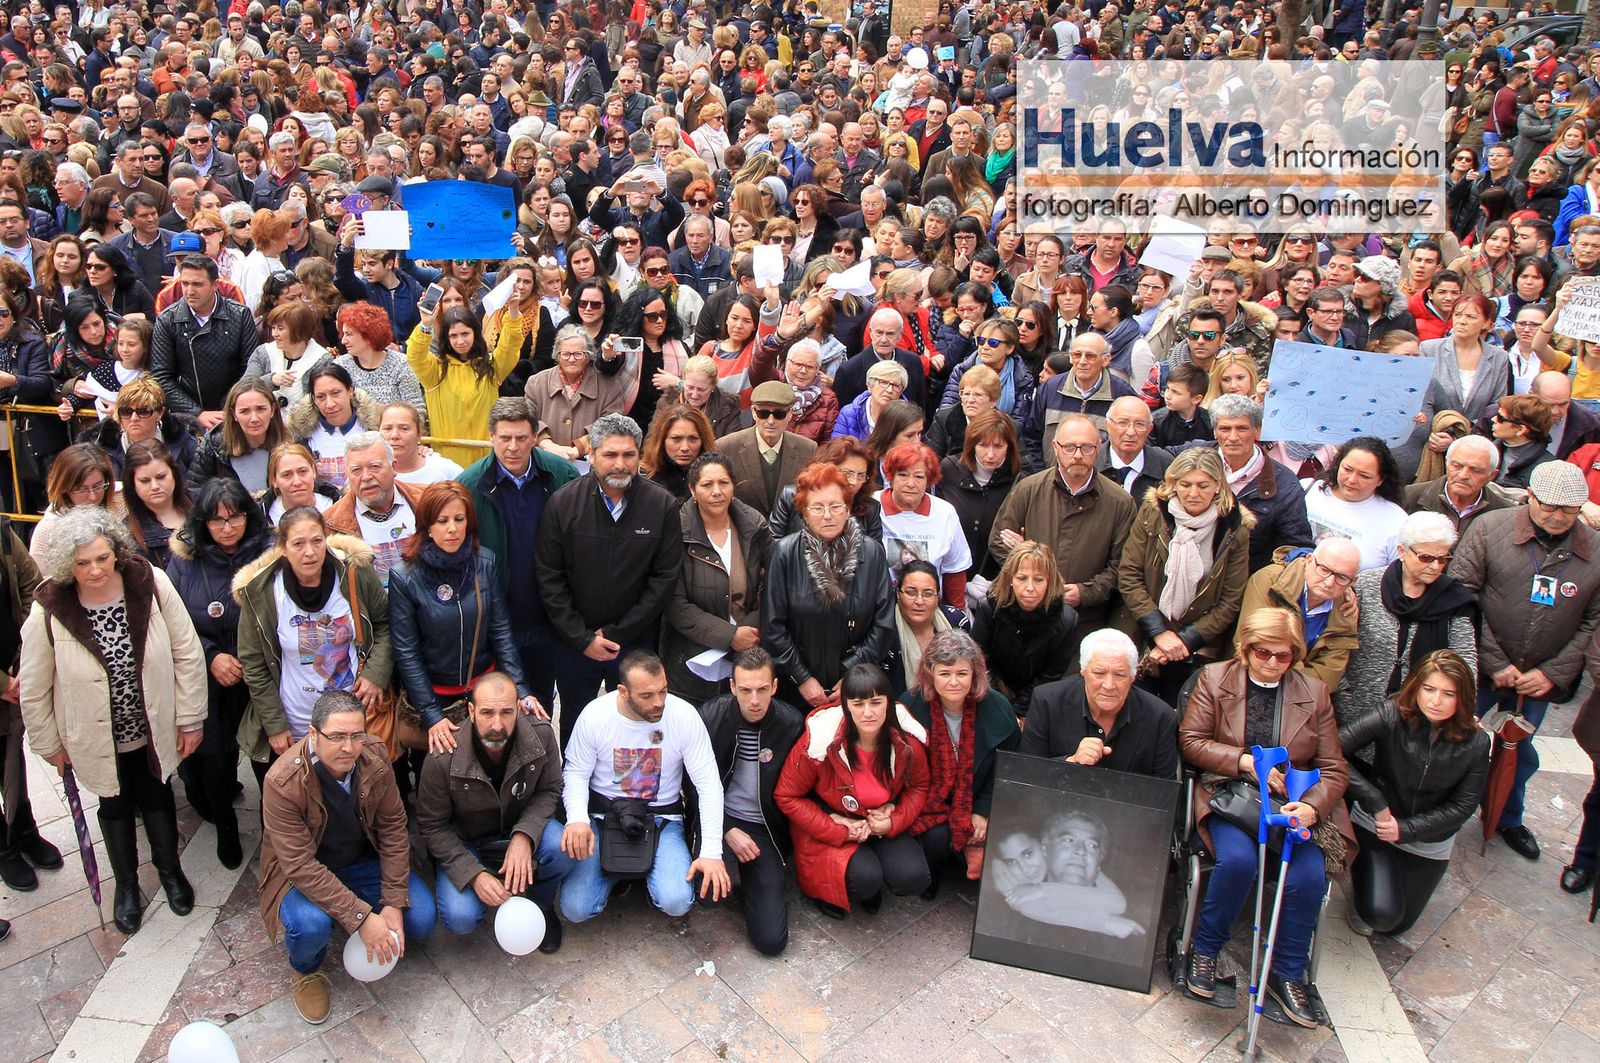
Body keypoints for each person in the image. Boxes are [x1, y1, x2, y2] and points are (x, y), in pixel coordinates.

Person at [20, 506, 206, 934]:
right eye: (83, 563)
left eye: (102, 558)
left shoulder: (149, 583)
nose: (95, 569)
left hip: (151, 725)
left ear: (116, 552)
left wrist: (191, 717)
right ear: (69, 563)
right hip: (96, 736)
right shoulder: (51, 604)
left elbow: (187, 652)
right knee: (114, 803)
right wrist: (49, 743)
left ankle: (170, 871)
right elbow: (34, 683)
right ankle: (126, 885)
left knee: (158, 795)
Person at [1179, 608, 1353, 1029]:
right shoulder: (1216, 679)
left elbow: (1334, 768)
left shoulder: (1313, 692)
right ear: (1245, 648)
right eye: (1263, 653)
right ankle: (1205, 948)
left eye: (1284, 656)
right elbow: (1191, 741)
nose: (1273, 663)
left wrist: (1311, 805)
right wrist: (1241, 761)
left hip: (1292, 802)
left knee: (1308, 875)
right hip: (1233, 795)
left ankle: (1288, 971)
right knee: (1238, 862)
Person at [257, 690, 435, 1026]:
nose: (348, 747)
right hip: (302, 878)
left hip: (360, 861)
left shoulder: (374, 756)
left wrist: (394, 900)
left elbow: (394, 826)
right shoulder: (282, 782)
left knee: (421, 919)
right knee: (309, 927)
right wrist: (362, 918)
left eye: (356, 735)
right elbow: (299, 866)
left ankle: (355, 914)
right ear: (313, 734)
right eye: (336, 736)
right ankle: (306, 970)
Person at [1451, 461, 1600, 861]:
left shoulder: (1595, 551)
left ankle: (1507, 816)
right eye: (1548, 506)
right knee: (1456, 737)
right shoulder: (1489, 529)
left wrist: (1552, 672)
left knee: (1520, 749)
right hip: (1481, 667)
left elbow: (1594, 620)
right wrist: (1494, 659)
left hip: (1540, 674)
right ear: (1529, 497)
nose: (1557, 516)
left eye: (1568, 510)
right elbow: (1463, 596)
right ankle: (1441, 810)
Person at [535, 414, 683, 749]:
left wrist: (617, 633)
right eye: (610, 455)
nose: (620, 464)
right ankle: (575, 793)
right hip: (575, 645)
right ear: (592, 456)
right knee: (576, 724)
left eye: (628, 455)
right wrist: (581, 636)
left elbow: (663, 580)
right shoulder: (563, 503)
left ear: (639, 456)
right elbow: (548, 575)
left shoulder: (660, 506)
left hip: (633, 642)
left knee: (634, 725)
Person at [558, 651, 731, 922]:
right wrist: (577, 819)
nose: (659, 702)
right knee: (575, 909)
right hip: (605, 816)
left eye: (663, 691)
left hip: (661, 817)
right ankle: (618, 875)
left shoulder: (683, 715)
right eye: (647, 695)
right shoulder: (595, 715)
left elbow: (708, 783)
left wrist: (711, 851)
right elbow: (576, 772)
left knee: (677, 901)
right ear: (623, 692)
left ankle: (646, 875)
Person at [412, 671, 573, 952]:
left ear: (519, 710)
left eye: (506, 712)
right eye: (487, 713)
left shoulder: (542, 735)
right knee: (460, 918)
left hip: (517, 827)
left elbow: (550, 790)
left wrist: (524, 837)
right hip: (466, 840)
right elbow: (432, 826)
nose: (497, 724)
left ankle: (541, 904)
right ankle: (474, 881)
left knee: (561, 848)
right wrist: (473, 874)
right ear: (471, 711)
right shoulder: (441, 758)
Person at [235, 507, 392, 790]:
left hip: (355, 717)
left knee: (362, 795)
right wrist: (275, 724)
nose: (309, 552)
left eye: (317, 541)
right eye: (298, 544)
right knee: (299, 801)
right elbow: (254, 663)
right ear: (282, 548)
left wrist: (376, 673)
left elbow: (385, 624)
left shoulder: (356, 574)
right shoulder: (263, 593)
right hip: (296, 719)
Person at [1339, 651, 1490, 936]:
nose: (1435, 700)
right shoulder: (1391, 713)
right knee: (1381, 915)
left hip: (1429, 838)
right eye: (1429, 689)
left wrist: (1406, 829)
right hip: (1377, 824)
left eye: (1448, 693)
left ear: (1463, 697)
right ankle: (1362, 890)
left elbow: (1464, 805)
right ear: (1416, 687)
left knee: (1399, 925)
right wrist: (1374, 800)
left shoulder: (1477, 741)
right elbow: (1333, 750)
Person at [388, 481, 543, 755]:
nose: (452, 528)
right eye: (442, 520)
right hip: (435, 695)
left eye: (459, 519)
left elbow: (501, 631)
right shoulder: (405, 576)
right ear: (426, 526)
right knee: (437, 773)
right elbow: (406, 652)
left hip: (481, 690)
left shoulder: (485, 562)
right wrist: (431, 714)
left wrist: (520, 688)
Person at [167, 478, 270, 870]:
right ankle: (225, 828)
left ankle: (273, 831)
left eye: (235, 517)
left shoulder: (268, 553)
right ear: (202, 522)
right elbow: (173, 622)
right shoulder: (184, 560)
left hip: (258, 672)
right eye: (217, 520)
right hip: (206, 674)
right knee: (216, 759)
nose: (227, 527)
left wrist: (251, 658)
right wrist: (211, 656)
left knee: (265, 757)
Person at [775, 663, 932, 918]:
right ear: (845, 705)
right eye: (858, 704)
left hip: (877, 822)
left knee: (912, 876)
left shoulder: (906, 740)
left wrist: (894, 820)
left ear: (889, 703)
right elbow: (787, 795)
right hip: (831, 820)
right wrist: (835, 826)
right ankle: (831, 892)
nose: (868, 713)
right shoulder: (819, 743)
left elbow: (920, 786)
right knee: (865, 879)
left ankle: (867, 879)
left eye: (876, 702)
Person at [458, 398, 580, 713]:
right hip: (496, 618)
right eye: (505, 438)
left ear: (535, 436)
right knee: (497, 706)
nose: (513, 447)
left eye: (522, 438)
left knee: (540, 703)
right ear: (491, 437)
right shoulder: (469, 486)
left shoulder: (562, 475)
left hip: (549, 615)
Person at [691, 647, 804, 956]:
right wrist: (726, 828)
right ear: (732, 687)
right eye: (745, 690)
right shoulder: (710, 717)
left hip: (764, 827)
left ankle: (753, 881)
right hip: (719, 819)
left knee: (771, 941)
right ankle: (732, 869)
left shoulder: (792, 723)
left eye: (762, 690)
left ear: (775, 687)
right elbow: (691, 784)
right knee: (706, 897)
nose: (754, 700)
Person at [1116, 448, 1253, 700]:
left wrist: (1182, 642)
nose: (1193, 493)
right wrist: (1158, 632)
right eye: (1185, 484)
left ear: (1218, 486)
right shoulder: (1153, 513)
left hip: (1199, 644)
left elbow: (1230, 600)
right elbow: (1130, 574)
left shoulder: (1234, 530)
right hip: (1143, 631)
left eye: (1203, 485)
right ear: (1173, 484)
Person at [989, 414, 1137, 640]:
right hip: (1027, 616)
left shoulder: (1120, 502)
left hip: (1085, 621)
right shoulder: (1028, 489)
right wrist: (1032, 568)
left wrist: (1085, 593)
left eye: (1086, 447)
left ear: (1098, 448)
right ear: (1055, 448)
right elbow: (999, 541)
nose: (1077, 455)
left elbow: (1123, 565)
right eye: (1069, 447)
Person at [762, 463, 895, 709]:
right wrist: (802, 677)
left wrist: (851, 673)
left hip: (857, 686)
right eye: (818, 507)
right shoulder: (785, 553)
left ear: (847, 509)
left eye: (835, 506)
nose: (827, 515)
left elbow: (883, 623)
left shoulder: (872, 553)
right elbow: (772, 626)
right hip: (797, 688)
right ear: (804, 512)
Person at [899, 630, 1021, 893]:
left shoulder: (998, 708)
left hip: (976, 798)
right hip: (930, 803)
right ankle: (932, 870)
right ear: (931, 673)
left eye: (962, 674)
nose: (953, 682)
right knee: (935, 837)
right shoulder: (910, 705)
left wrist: (982, 810)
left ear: (974, 673)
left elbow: (1008, 768)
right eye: (945, 673)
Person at [1337, 512, 1480, 730]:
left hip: (1418, 722)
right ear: (1402, 551)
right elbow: (1338, 642)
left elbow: (1464, 661)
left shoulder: (1454, 599)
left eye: (1442, 559)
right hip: (1355, 710)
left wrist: (1462, 705)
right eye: (1426, 558)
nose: (1434, 566)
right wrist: (1344, 694)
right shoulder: (1366, 585)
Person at [665, 454, 774, 703]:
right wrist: (729, 635)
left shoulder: (754, 526)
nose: (717, 492)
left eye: (724, 483)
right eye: (706, 485)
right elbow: (675, 603)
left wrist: (750, 628)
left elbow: (775, 584)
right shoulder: (676, 532)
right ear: (692, 489)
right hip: (693, 656)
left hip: (750, 650)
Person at [1021, 629, 1180, 779]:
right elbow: (1025, 775)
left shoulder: (1160, 717)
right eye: (1099, 673)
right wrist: (1070, 762)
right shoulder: (1047, 701)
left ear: (1132, 677)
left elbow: (1164, 795)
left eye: (1119, 674)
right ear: (1083, 671)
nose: (1109, 685)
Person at [150, 253, 260, 429]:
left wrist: (233, 406)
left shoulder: (240, 314)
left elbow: (251, 366)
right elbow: (161, 376)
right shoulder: (167, 320)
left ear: (215, 285)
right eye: (185, 283)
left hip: (234, 413)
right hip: (187, 419)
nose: (190, 291)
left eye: (198, 284)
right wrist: (197, 413)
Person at [1239, 540, 1363, 695]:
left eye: (1342, 577)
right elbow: (1249, 646)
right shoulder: (1269, 582)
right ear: (1309, 560)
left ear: (1353, 582)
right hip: (1245, 684)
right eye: (1324, 570)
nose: (1329, 582)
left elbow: (1329, 676)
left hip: (1300, 699)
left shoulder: (1346, 609)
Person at [1206, 395, 1314, 572]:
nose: (1233, 437)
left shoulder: (1285, 485)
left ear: (1258, 431)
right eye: (1225, 429)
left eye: (1242, 428)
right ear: (1214, 432)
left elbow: (1295, 548)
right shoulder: (1193, 458)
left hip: (1246, 583)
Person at [406, 303, 523, 468]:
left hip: (487, 459)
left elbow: (510, 346)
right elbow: (414, 355)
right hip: (448, 462)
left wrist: (513, 311)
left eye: (465, 333)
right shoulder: (434, 371)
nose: (460, 341)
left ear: (475, 333)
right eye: (453, 335)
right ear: (446, 338)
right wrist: (426, 324)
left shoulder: (490, 367)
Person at [879, 442, 971, 608]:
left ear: (929, 480)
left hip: (927, 608)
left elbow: (955, 570)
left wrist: (955, 614)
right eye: (903, 475)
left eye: (919, 476)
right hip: (881, 608)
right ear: (890, 476)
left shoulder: (945, 513)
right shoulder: (872, 507)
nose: (911, 483)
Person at [1303, 437, 1409, 571]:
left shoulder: (1397, 521)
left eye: (1364, 476)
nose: (1352, 479)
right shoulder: (1306, 490)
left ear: (1381, 480)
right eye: (1347, 469)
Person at [1400, 434, 1517, 538]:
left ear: (1491, 475)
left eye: (1475, 470)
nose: (1463, 475)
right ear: (1446, 464)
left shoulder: (1505, 513)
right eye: (1457, 466)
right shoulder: (1410, 496)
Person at [186, 378, 288, 496]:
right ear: (234, 414)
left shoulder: (292, 442)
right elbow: (194, 493)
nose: (254, 418)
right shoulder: (213, 445)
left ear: (273, 409)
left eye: (261, 409)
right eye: (245, 411)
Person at [1490, 392, 1558, 488]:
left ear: (1521, 429)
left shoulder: (1548, 469)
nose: (1493, 419)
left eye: (1500, 418)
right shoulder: (1487, 452)